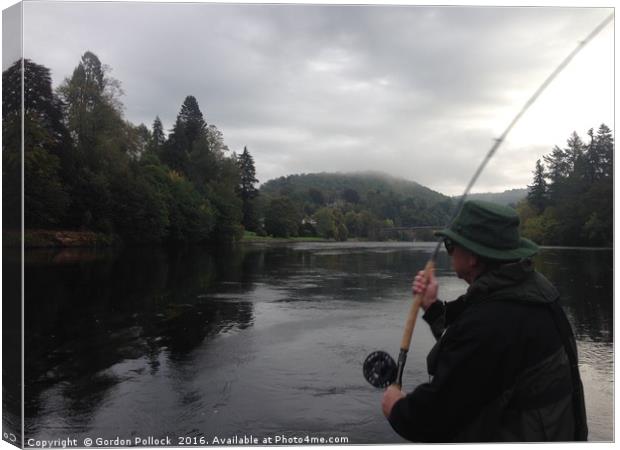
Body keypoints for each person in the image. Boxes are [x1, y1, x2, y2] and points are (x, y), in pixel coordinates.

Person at [381, 200, 588, 442]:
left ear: (472, 257)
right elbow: (474, 352)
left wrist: (396, 408)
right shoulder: (530, 290)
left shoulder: (494, 321)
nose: (449, 252)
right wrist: (433, 307)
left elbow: (434, 418)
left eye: (451, 245)